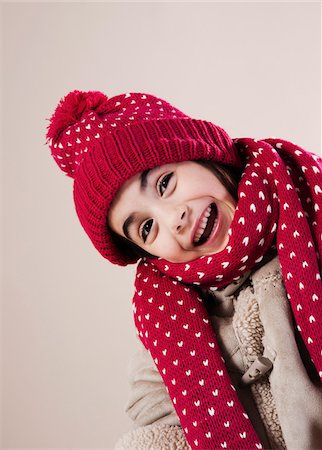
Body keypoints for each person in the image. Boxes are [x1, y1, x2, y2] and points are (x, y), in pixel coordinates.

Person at [46, 90, 322, 449]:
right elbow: (155, 420)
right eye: (146, 228)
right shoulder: (167, 320)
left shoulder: (307, 200)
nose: (172, 219)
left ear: (201, 153)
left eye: (165, 184)